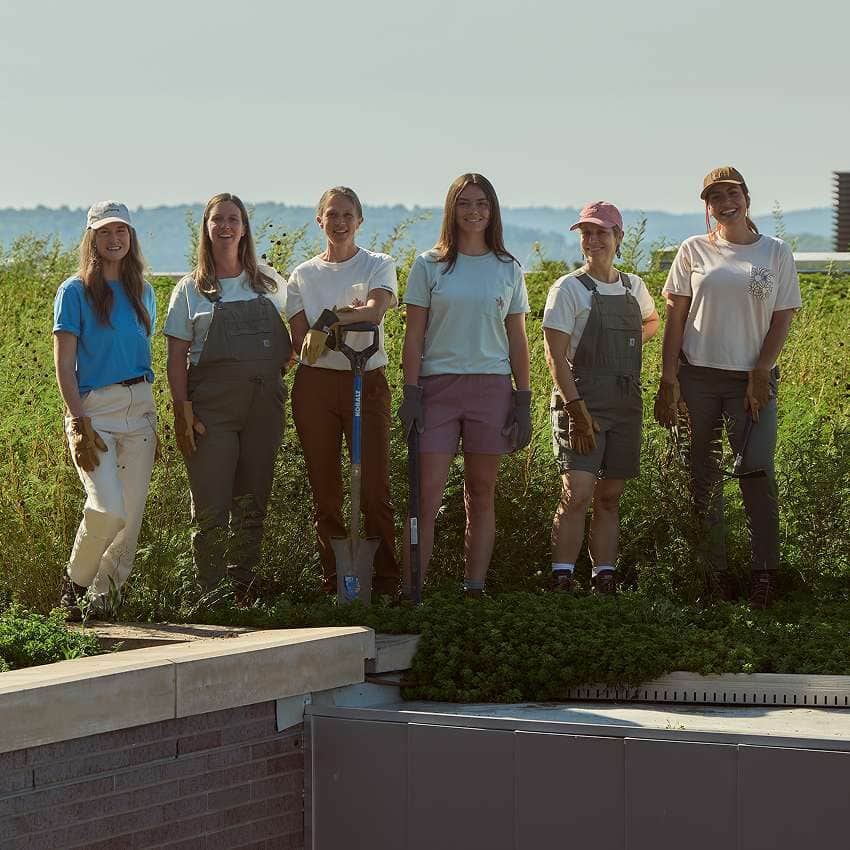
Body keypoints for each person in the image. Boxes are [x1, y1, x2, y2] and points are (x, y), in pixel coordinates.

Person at [654, 167, 801, 607]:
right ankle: (714, 574)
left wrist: (761, 371)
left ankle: (764, 573)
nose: (725, 202)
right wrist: (668, 379)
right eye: (715, 197)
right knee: (703, 476)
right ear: (708, 206)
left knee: (756, 470)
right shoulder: (693, 249)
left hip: (751, 380)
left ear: (746, 197)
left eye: (732, 193)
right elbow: (675, 319)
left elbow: (782, 318)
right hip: (697, 376)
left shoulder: (775, 252)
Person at [399, 172, 531, 599]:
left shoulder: (508, 268)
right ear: (451, 210)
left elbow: (517, 338)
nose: (474, 211)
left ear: (492, 211)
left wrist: (523, 399)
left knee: (481, 492)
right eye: (465, 203)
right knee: (425, 496)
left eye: (482, 204)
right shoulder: (429, 265)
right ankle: (412, 591)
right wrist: (411, 392)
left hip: (491, 390)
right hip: (436, 390)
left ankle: (474, 590)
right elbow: (413, 336)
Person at [163, 193, 291, 596]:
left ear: (244, 228)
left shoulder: (268, 281)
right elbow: (176, 356)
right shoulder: (190, 289)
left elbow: (299, 331)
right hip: (211, 411)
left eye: (233, 219)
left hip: (263, 408)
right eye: (217, 219)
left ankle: (242, 585)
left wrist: (278, 367)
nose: (226, 226)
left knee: (253, 500)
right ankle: (211, 593)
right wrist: (182, 411)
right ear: (206, 228)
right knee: (211, 503)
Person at [286, 186, 400, 598]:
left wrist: (328, 321)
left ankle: (386, 582)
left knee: (374, 489)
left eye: (347, 215)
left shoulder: (377, 264)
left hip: (365, 379)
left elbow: (375, 309)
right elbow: (302, 344)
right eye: (332, 215)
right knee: (326, 491)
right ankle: (336, 582)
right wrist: (320, 332)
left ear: (359, 220)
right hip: (316, 386)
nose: (339, 222)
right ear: (320, 220)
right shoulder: (302, 275)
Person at [543, 201, 659, 594]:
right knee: (577, 492)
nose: (593, 240)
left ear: (618, 237)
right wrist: (576, 411)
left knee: (610, 495)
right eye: (586, 233)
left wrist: (629, 343)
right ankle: (562, 576)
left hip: (625, 403)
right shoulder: (568, 289)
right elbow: (554, 356)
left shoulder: (633, 287)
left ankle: (604, 576)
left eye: (601, 232)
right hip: (581, 401)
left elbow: (652, 320)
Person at [54, 201, 158, 620]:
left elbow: (140, 354)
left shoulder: (143, 291)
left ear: (130, 236)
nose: (114, 239)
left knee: (129, 518)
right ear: (92, 238)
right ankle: (74, 586)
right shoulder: (74, 291)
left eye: (121, 231)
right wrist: (78, 421)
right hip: (94, 411)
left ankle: (105, 602)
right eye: (104, 232)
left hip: (141, 408)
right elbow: (64, 364)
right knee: (107, 507)